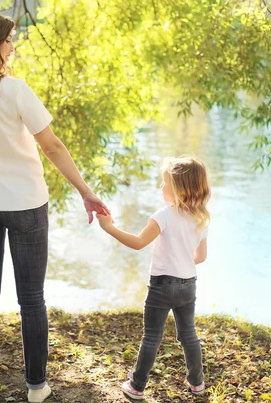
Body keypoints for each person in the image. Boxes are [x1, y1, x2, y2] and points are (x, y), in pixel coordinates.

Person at [0, 9, 110, 403]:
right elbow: (52, 147)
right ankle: (36, 388)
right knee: (31, 298)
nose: (12, 47)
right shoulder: (14, 90)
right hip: (25, 203)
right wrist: (85, 190)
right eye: (9, 39)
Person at [96, 157, 210, 400]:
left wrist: (109, 227)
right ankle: (197, 384)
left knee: (152, 336)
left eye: (164, 183)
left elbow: (138, 243)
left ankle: (136, 386)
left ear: (179, 188)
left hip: (162, 286)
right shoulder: (201, 218)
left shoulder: (163, 216)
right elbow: (200, 256)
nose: (161, 187)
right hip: (188, 284)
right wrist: (182, 257)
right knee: (188, 334)